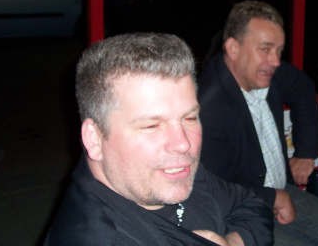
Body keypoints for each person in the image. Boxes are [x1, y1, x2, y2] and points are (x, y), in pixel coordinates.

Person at [44, 33, 272, 246]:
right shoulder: (98, 236)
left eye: (190, 118)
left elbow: (251, 205)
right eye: (151, 126)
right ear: (94, 139)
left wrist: (232, 241)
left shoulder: (164, 170)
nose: (183, 144)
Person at [198, 0, 318, 246]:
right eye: (265, 49)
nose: (275, 61)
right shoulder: (208, 106)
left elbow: (302, 87)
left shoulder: (264, 72)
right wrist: (272, 197)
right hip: (237, 211)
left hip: (281, 189)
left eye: (279, 50)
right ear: (233, 48)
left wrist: (305, 151)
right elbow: (212, 187)